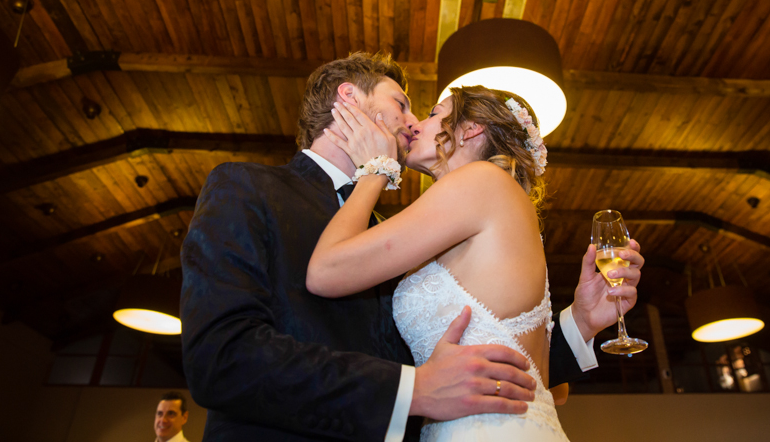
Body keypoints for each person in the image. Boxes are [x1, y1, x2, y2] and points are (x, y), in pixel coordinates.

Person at [181, 52, 643, 441]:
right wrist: (411, 390)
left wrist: (579, 324)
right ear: (349, 97)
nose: (412, 121)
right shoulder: (247, 188)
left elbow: (476, 352)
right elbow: (221, 357)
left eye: (425, 112)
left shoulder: (392, 227)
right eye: (402, 104)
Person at [307, 85, 643, 440]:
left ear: (471, 129)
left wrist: (375, 169)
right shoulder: (488, 202)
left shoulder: (479, 181)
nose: (416, 124)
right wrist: (583, 320)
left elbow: (325, 272)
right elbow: (543, 384)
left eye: (434, 113)